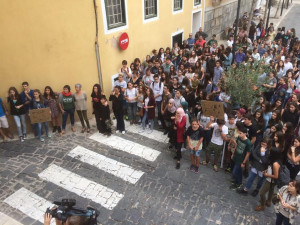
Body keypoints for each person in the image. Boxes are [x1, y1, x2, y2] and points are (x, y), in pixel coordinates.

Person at [255, 147, 281, 211]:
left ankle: (262, 205)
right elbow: (271, 168)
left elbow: (276, 176)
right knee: (271, 189)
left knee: (262, 193)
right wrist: (266, 170)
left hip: (270, 180)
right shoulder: (275, 161)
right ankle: (268, 201)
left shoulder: (275, 163)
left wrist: (267, 175)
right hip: (272, 180)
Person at [230, 126, 252, 190]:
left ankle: (239, 183)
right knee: (238, 171)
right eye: (239, 133)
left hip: (241, 159)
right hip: (236, 156)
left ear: (245, 134)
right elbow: (236, 146)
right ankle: (237, 182)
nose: (239, 134)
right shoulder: (239, 138)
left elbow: (248, 153)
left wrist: (244, 162)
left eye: (240, 133)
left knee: (235, 172)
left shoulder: (248, 142)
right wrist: (233, 154)